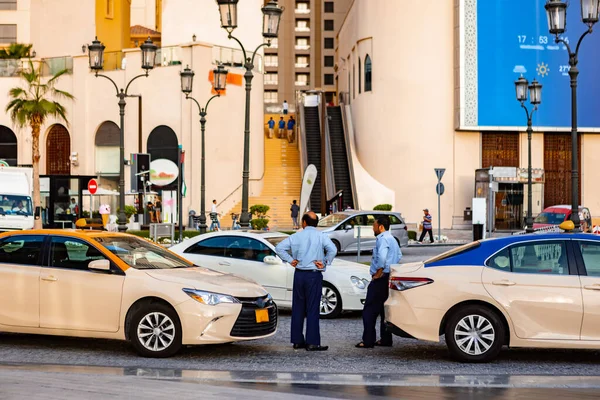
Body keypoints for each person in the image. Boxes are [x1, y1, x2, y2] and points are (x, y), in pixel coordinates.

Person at [275, 212, 337, 352]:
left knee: (297, 308)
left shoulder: (296, 236)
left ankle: (297, 340)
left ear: (304, 222)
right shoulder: (321, 236)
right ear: (316, 223)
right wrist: (325, 262)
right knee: (312, 309)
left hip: (299, 274)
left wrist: (291, 260)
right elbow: (332, 249)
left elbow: (279, 248)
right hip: (313, 275)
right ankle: (312, 342)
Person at [356, 215, 401, 348]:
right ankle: (386, 339)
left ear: (380, 226)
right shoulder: (392, 238)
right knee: (384, 310)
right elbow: (398, 255)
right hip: (389, 277)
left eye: (374, 226)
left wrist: (379, 272)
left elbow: (381, 257)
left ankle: (368, 340)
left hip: (381, 278)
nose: (372, 228)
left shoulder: (382, 239)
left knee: (369, 310)